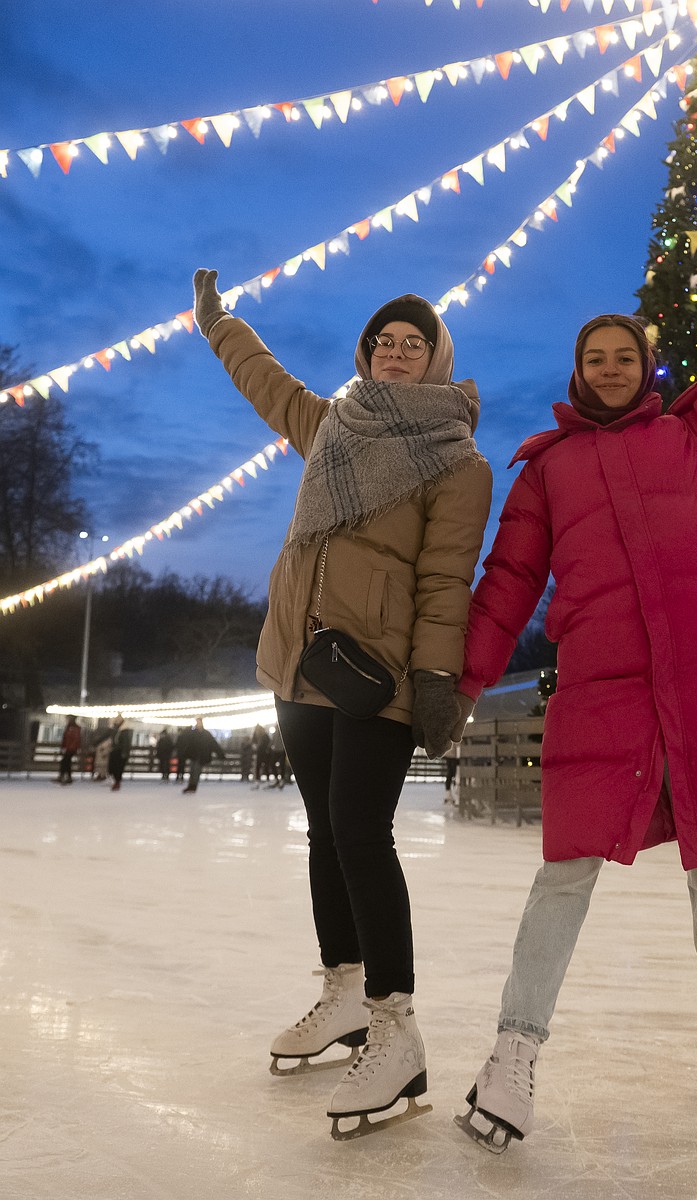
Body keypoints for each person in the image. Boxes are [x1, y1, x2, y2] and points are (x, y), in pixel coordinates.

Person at [452, 230, 697, 1152]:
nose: (612, 368)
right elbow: (507, 584)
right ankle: (513, 1054)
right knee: (566, 871)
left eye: (625, 355)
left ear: (646, 365)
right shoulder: (548, 470)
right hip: (606, 692)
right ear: (578, 372)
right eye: (597, 358)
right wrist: (465, 681)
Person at [191, 269, 492, 1139]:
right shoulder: (332, 425)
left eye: (412, 344)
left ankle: (397, 1028)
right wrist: (220, 323)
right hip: (301, 664)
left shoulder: (457, 462)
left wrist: (437, 682)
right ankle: (344, 993)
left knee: (362, 833)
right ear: (367, 355)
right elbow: (266, 382)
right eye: (382, 343)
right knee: (326, 831)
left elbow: (445, 582)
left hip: (382, 674)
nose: (395, 353)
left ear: (436, 360)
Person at [180, 716, 222, 794]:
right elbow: (188, 744)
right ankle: (191, 785)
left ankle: (193, 786)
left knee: (196, 771)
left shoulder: (205, 734)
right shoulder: (193, 733)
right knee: (192, 771)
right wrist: (185, 753)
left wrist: (220, 754)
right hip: (194, 755)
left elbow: (213, 744)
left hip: (201, 756)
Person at [108, 714, 133, 791]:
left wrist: (125, 752)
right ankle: (116, 781)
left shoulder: (125, 730)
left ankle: (117, 782)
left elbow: (126, 742)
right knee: (112, 767)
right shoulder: (115, 729)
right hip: (114, 750)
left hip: (121, 752)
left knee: (118, 768)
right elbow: (106, 735)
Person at [56, 715, 82, 785]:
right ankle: (66, 776)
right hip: (68, 747)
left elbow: (75, 739)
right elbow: (65, 738)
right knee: (66, 762)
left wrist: (74, 747)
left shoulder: (75, 728)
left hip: (71, 748)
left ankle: (64, 776)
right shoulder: (68, 727)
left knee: (65, 761)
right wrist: (63, 747)